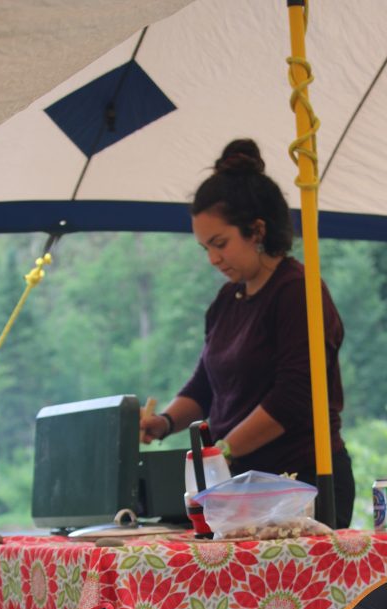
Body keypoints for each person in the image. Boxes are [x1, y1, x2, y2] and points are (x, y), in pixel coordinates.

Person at [139, 137, 355, 528]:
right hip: (239, 488)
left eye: (220, 244)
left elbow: (294, 398)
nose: (213, 259)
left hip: (298, 486)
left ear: (256, 231)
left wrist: (222, 449)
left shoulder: (298, 291)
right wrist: (165, 423)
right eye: (205, 247)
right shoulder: (226, 300)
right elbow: (205, 386)